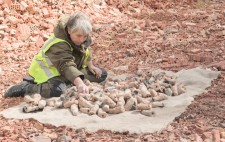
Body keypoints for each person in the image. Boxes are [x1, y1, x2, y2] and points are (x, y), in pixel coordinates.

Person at [4, 12, 107, 98]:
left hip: (68, 71)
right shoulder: (58, 43)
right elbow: (66, 65)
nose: (82, 39)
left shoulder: (82, 37)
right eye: (79, 36)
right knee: (57, 91)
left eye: (85, 36)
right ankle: (26, 88)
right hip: (50, 73)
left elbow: (85, 49)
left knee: (101, 74)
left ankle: (70, 81)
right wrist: (79, 83)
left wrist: (91, 65)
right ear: (69, 30)